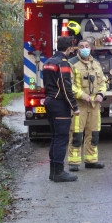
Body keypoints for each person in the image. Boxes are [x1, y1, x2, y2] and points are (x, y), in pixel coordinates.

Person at [43, 36, 80, 182]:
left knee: (55, 137)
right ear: (69, 48)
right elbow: (66, 87)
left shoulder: (48, 62)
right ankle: (59, 173)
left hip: (49, 101)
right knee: (61, 138)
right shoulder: (63, 63)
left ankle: (53, 172)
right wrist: (74, 106)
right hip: (59, 105)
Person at [67, 39, 108, 171]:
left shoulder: (96, 63)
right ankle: (74, 162)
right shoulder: (72, 63)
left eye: (86, 46)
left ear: (90, 48)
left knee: (94, 133)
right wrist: (82, 95)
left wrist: (101, 94)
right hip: (79, 105)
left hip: (94, 105)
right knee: (76, 134)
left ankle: (91, 160)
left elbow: (103, 82)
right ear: (77, 49)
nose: (84, 48)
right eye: (81, 46)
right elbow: (69, 84)